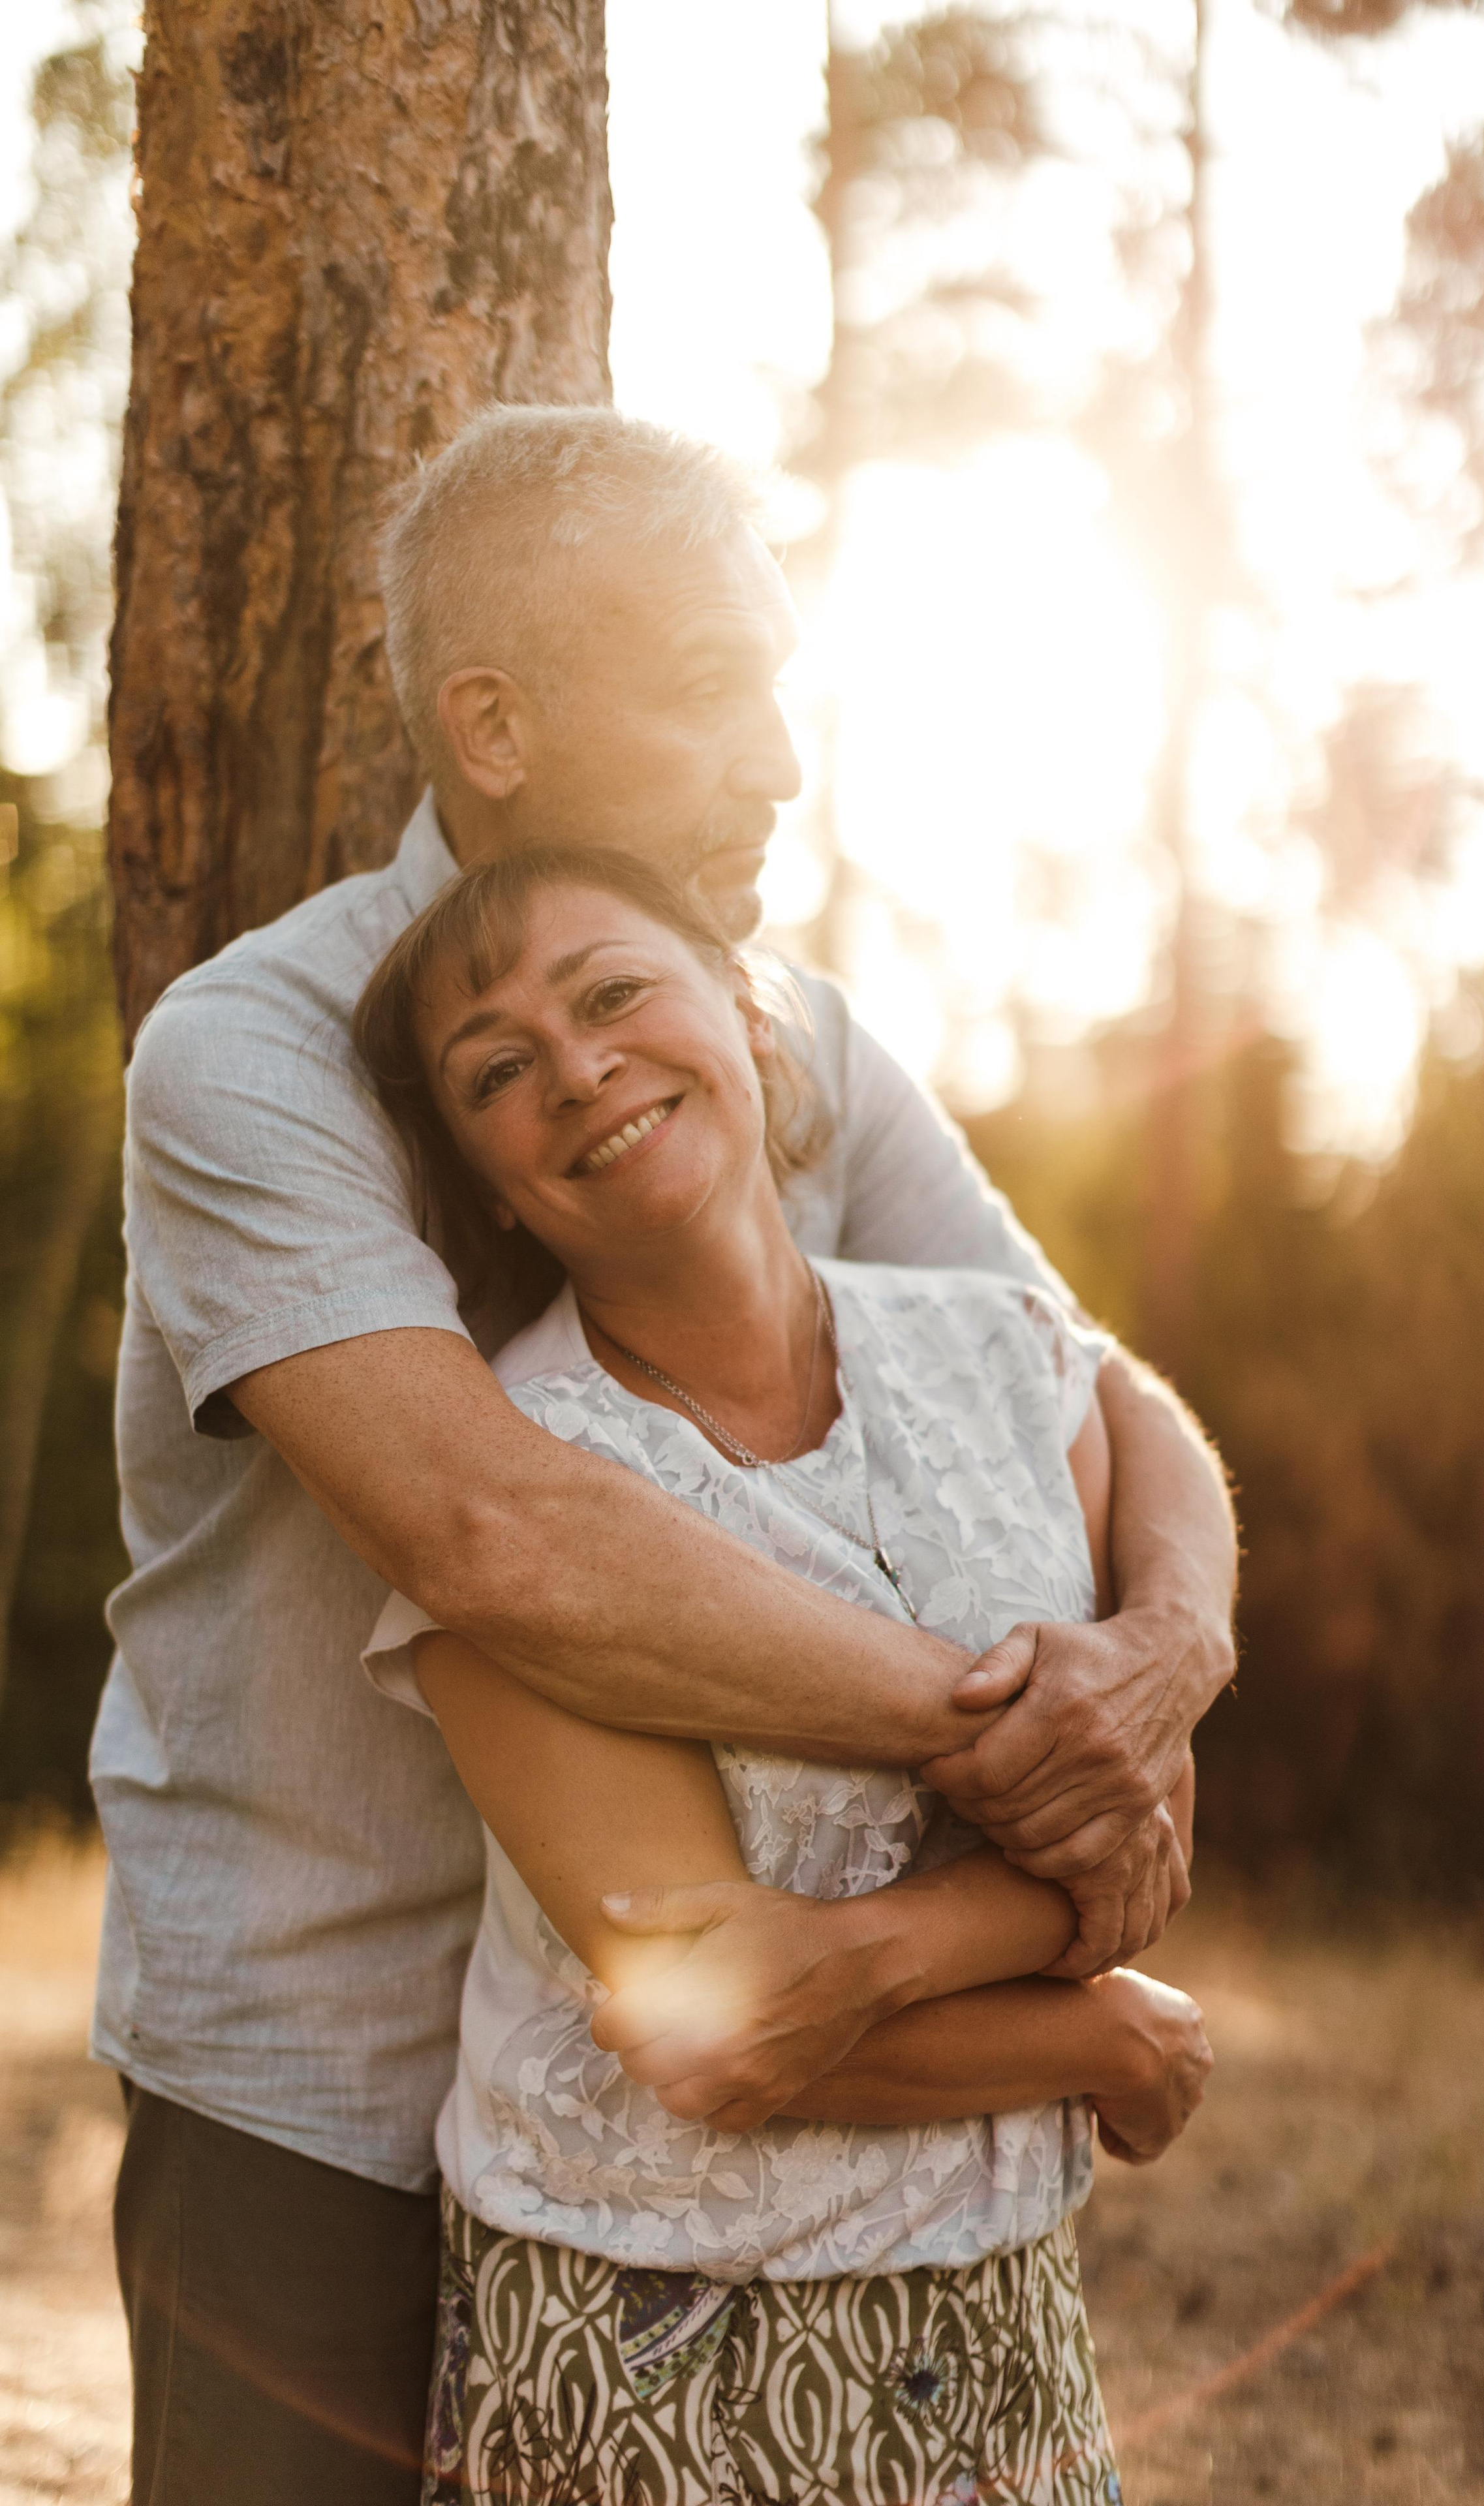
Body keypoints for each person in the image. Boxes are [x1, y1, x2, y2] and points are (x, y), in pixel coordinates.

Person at [96, 405, 1236, 2505]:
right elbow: (494, 1527)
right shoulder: (252, 1054)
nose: (778, 762)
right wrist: (1012, 1742)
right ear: (496, 724)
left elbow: (1092, 1382)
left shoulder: (775, 1030)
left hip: (755, 2107)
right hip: (318, 2075)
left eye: (781, 690)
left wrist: (1158, 1656)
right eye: (716, 690)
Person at [351, 839, 1213, 2504]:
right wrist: (1098, 2034)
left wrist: (876, 1947)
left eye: (610, 994)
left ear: (749, 1017)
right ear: (495, 1182)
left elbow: (1145, 1813)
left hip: (1003, 2309)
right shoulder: (512, 1493)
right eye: (498, 1074)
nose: (578, 1068)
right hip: (643, 2345)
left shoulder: (1004, 1358)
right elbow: (714, 2034)